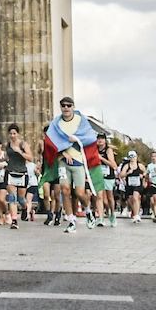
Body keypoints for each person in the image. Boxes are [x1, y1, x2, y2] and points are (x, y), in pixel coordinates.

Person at [42, 97, 98, 230]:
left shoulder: (80, 121)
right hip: (63, 162)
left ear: (73, 107)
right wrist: (62, 153)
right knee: (65, 191)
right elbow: (51, 142)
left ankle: (88, 211)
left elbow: (90, 137)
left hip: (78, 160)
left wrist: (77, 138)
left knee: (79, 193)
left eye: (68, 105)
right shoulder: (56, 123)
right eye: (63, 106)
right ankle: (71, 220)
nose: (66, 108)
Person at [2, 126, 34, 228]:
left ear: (18, 134)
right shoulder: (7, 145)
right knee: (12, 197)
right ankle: (14, 220)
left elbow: (30, 158)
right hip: (10, 171)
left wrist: (20, 152)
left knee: (21, 199)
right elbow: (7, 157)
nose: (12, 136)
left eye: (14, 133)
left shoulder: (23, 144)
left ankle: (25, 208)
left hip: (21, 172)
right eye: (10, 134)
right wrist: (3, 161)